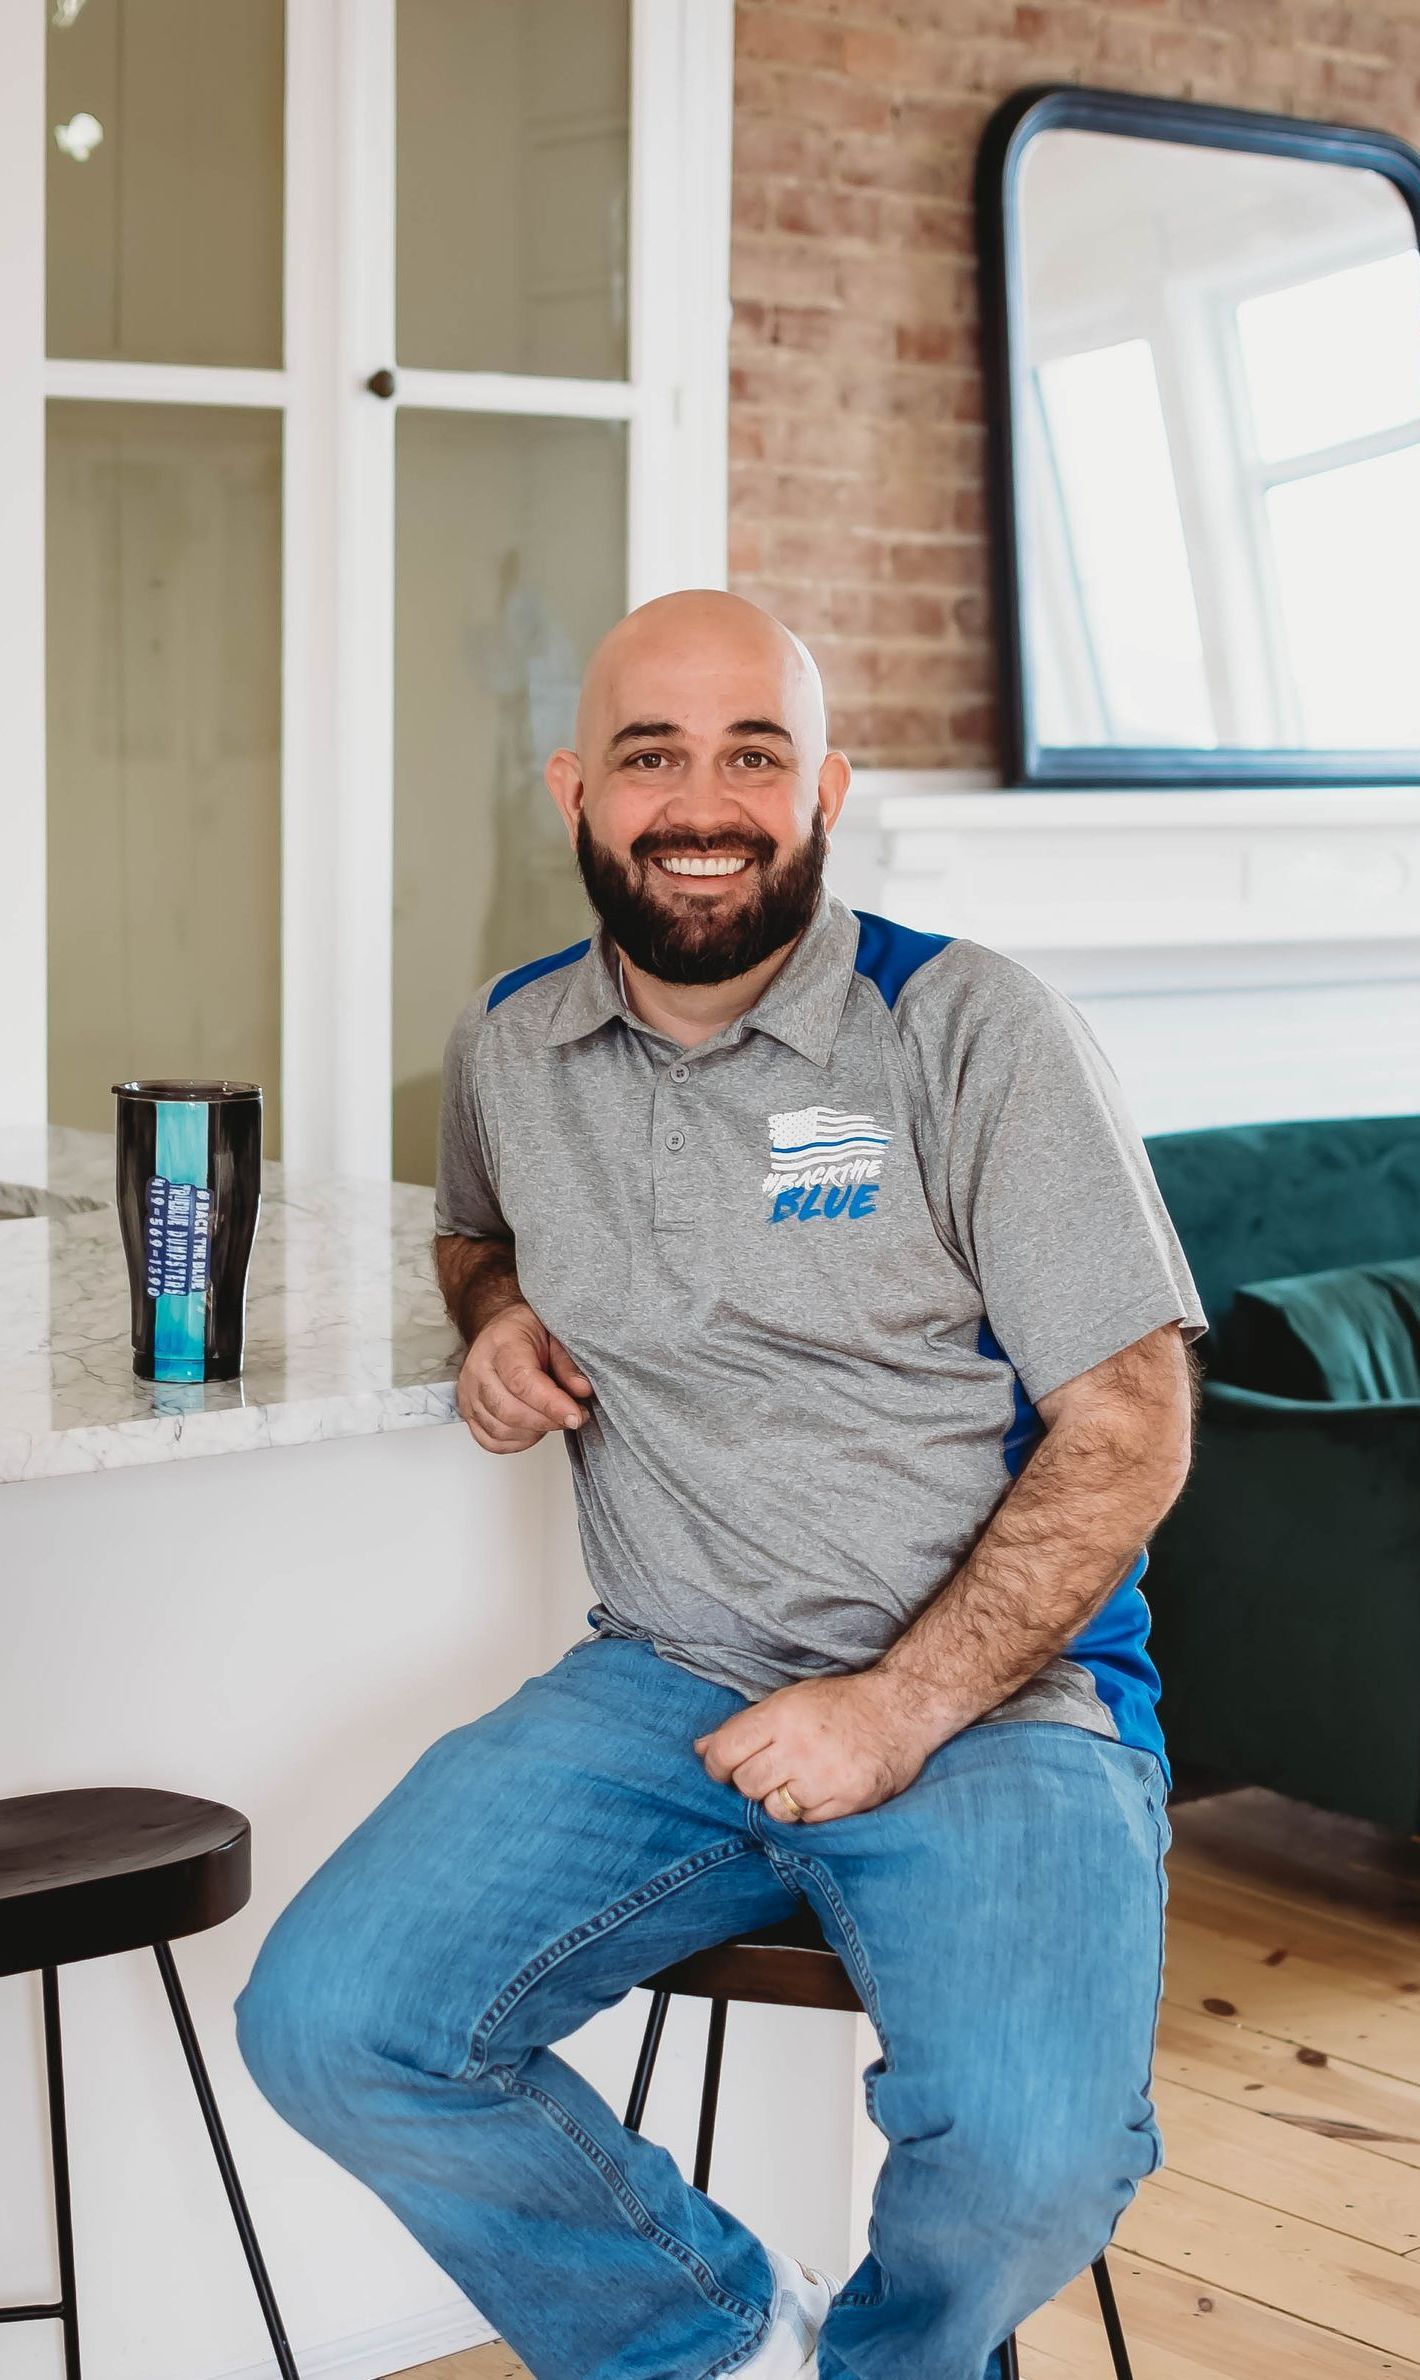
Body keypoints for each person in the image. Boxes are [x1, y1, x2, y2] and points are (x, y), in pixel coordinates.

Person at [235, 589, 1206, 2380]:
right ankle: (726, 2346)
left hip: (998, 1700)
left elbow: (1133, 1425)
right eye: (652, 754)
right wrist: (500, 1311)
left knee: (1029, 2167)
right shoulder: (515, 1047)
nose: (704, 799)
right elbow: (472, 1229)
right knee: (334, 2022)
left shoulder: (969, 1030)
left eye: (753, 752)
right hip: (667, 1677)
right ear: (576, 791)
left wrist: (895, 1710)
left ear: (824, 787)